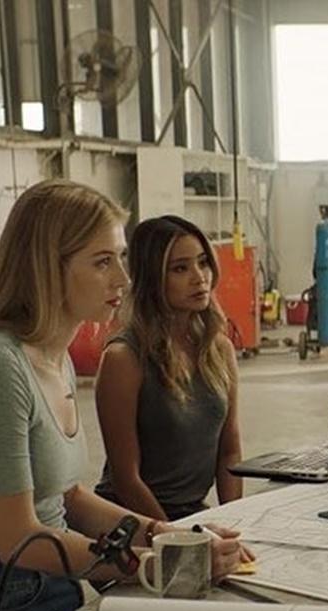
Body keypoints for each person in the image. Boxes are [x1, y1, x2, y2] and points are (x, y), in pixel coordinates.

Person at [0, 180, 247, 611]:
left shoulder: (55, 358)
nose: (123, 279)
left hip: (56, 586)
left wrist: (169, 535)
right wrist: (155, 563)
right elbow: (18, 537)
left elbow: (68, 498)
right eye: (102, 261)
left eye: (121, 258)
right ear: (48, 267)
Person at [94, 215, 244, 521]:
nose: (199, 277)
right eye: (180, 268)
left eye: (203, 262)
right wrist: (174, 538)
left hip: (192, 516)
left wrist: (234, 519)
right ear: (152, 278)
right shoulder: (124, 358)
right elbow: (125, 479)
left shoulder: (219, 350)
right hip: (132, 519)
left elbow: (229, 452)